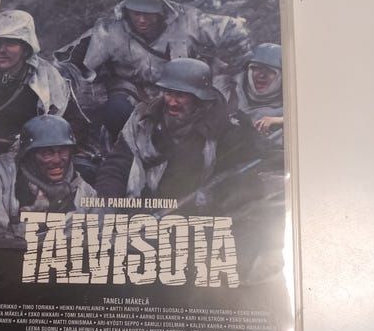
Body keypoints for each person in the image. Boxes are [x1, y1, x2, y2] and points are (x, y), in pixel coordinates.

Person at [54, 0, 251, 145]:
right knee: (116, 112)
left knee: (209, 122)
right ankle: (123, 150)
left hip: (184, 89)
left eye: (148, 13)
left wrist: (236, 66)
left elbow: (233, 30)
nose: (141, 19)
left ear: (160, 10)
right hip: (135, 91)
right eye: (136, 13)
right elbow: (68, 61)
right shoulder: (109, 30)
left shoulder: (188, 21)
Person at [95, 58, 264, 214]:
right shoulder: (144, 119)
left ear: (199, 97)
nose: (172, 102)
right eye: (168, 93)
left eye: (181, 95)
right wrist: (109, 205)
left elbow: (241, 180)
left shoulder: (227, 127)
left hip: (197, 214)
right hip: (144, 207)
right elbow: (117, 165)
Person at [0, 115, 96, 249]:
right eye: (47, 153)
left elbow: (99, 237)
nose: (57, 160)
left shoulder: (86, 193)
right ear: (28, 154)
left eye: (63, 151)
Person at [0, 9, 88, 156]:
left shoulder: (47, 78)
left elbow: (76, 124)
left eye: (10, 43)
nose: (1, 50)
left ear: (26, 48)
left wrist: (40, 142)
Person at [231, 43, 283, 146]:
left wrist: (279, 120)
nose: (262, 75)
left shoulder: (290, 105)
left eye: (270, 71)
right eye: (256, 68)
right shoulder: (228, 90)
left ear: (281, 75)